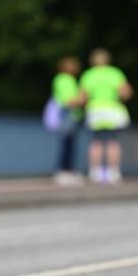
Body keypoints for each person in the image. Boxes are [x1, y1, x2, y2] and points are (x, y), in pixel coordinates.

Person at [80, 49, 133, 184]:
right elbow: (126, 92)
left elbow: (83, 96)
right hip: (112, 109)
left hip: (95, 109)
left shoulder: (88, 75)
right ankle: (113, 172)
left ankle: (95, 172)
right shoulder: (115, 73)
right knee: (112, 141)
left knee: (96, 142)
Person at [47, 56, 85, 186]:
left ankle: (68, 170)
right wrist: (82, 99)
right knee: (66, 143)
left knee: (70, 144)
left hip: (72, 116)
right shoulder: (63, 79)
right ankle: (63, 171)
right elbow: (69, 101)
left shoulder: (70, 80)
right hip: (66, 115)